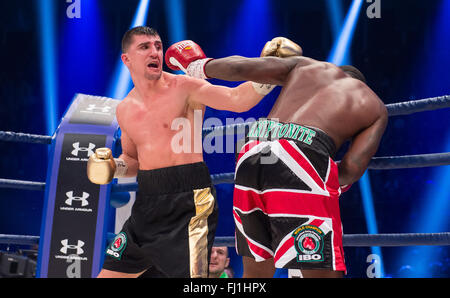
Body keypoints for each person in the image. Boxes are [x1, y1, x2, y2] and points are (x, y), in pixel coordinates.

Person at [176, 38, 388, 277]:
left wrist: (198, 65)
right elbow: (352, 167)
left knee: (256, 274)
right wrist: (323, 185)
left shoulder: (307, 66)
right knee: (321, 271)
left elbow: (240, 67)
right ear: (361, 84)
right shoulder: (373, 104)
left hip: (253, 146)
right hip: (302, 155)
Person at [86, 27, 283, 278]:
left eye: (158, 45)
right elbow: (132, 159)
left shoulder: (185, 86)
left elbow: (236, 99)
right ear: (127, 59)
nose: (155, 51)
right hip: (146, 205)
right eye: (145, 47)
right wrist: (113, 167)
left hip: (188, 202)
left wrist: (269, 71)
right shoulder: (124, 108)